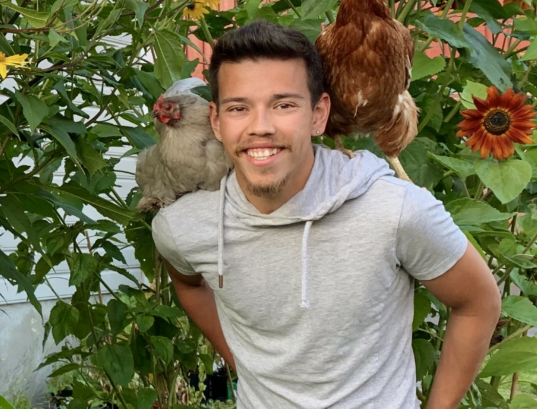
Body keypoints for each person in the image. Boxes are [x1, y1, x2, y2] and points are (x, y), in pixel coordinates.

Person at [152, 21, 501, 408]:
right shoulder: (183, 227)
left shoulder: (395, 210)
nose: (261, 127)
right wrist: (242, 362)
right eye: (239, 108)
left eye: (284, 105)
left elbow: (478, 302)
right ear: (216, 121)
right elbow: (188, 283)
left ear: (319, 115)